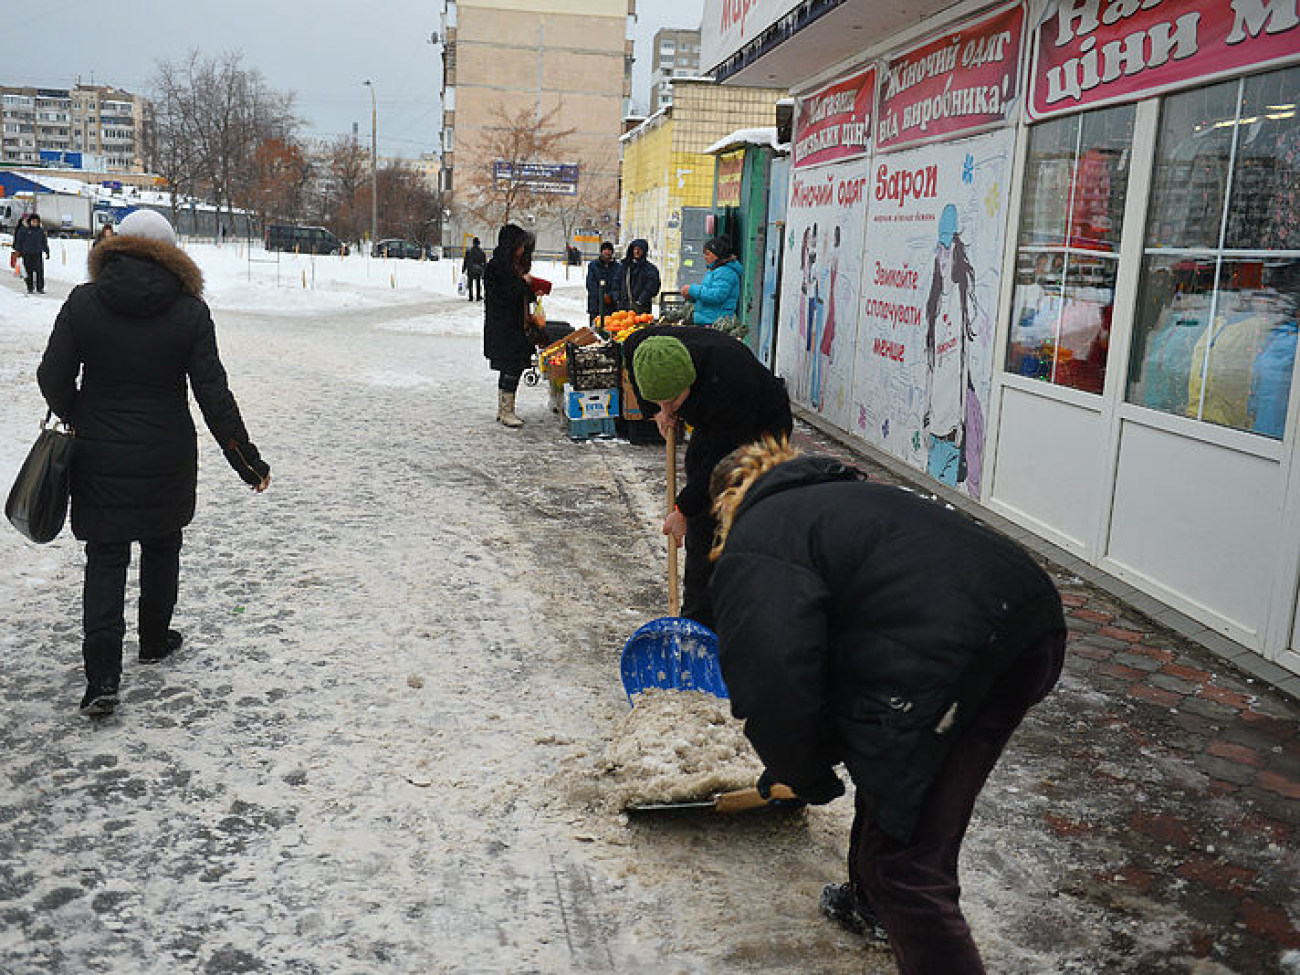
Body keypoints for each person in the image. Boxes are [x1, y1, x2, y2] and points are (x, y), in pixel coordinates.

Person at [707, 437, 1066, 975]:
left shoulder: (763, 535)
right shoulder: (839, 503)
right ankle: (870, 905)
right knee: (901, 770)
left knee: (903, 863)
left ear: (726, 504)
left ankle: (888, 899)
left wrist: (801, 774)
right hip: (1028, 626)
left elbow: (774, 675)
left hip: (958, 652)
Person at [36, 209, 271, 717]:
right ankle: (154, 637)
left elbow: (51, 376)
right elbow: (214, 395)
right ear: (171, 252)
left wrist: (83, 414)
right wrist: (247, 462)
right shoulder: (189, 312)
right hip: (167, 450)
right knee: (163, 542)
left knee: (106, 555)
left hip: (98, 451)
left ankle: (101, 677)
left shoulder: (83, 303)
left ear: (117, 245)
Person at [622, 326, 791, 630]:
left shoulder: (732, 383)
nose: (667, 409)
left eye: (672, 402)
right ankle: (698, 621)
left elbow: (719, 461)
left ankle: (746, 614)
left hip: (761, 430)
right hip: (711, 417)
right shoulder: (644, 348)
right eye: (659, 401)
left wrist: (683, 509)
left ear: (690, 379)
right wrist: (656, 411)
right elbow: (629, 349)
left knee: (736, 509)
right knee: (702, 525)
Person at [483, 223, 538, 429]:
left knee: (510, 367)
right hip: (504, 328)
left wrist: (532, 290)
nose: (522, 250)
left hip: (516, 325)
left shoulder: (515, 265)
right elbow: (503, 296)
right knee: (511, 367)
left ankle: (504, 408)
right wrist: (523, 283)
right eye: (520, 246)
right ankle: (506, 411)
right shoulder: (497, 267)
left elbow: (518, 293)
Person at [681, 235, 743, 327]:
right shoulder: (715, 271)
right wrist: (691, 296)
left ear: (717, 255)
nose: (705, 257)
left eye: (708, 253)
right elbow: (707, 294)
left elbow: (717, 296)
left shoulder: (725, 272)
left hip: (716, 323)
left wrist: (692, 289)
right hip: (708, 321)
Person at [619, 238, 660, 315]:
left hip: (642, 308)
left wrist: (641, 300)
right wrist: (617, 299)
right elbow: (616, 282)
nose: (636, 252)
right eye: (635, 249)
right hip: (623, 307)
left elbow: (652, 286)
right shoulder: (624, 266)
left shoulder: (650, 269)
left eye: (640, 249)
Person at [586, 241, 621, 325]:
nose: (607, 252)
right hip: (596, 305)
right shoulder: (593, 266)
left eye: (609, 250)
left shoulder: (618, 267)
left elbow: (618, 284)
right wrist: (601, 296)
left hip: (612, 306)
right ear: (601, 252)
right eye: (605, 249)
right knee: (595, 328)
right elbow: (590, 284)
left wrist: (611, 296)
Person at [16, 213, 50, 294]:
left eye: (36, 222)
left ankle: (40, 288)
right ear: (30, 221)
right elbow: (19, 241)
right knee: (29, 272)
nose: (35, 223)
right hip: (27, 254)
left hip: (37, 253)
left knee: (39, 271)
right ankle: (30, 287)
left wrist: (47, 251)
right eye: (33, 221)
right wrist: (18, 251)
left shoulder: (40, 231)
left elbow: (44, 242)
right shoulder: (24, 230)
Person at [462, 236, 487, 301]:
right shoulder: (482, 252)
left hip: (470, 270)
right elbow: (484, 263)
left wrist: (463, 269)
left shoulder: (469, 252)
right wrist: (485, 271)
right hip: (478, 270)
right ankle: (478, 296)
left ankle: (471, 296)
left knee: (470, 283)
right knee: (478, 283)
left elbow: (465, 261)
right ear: (478, 243)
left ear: (473, 243)